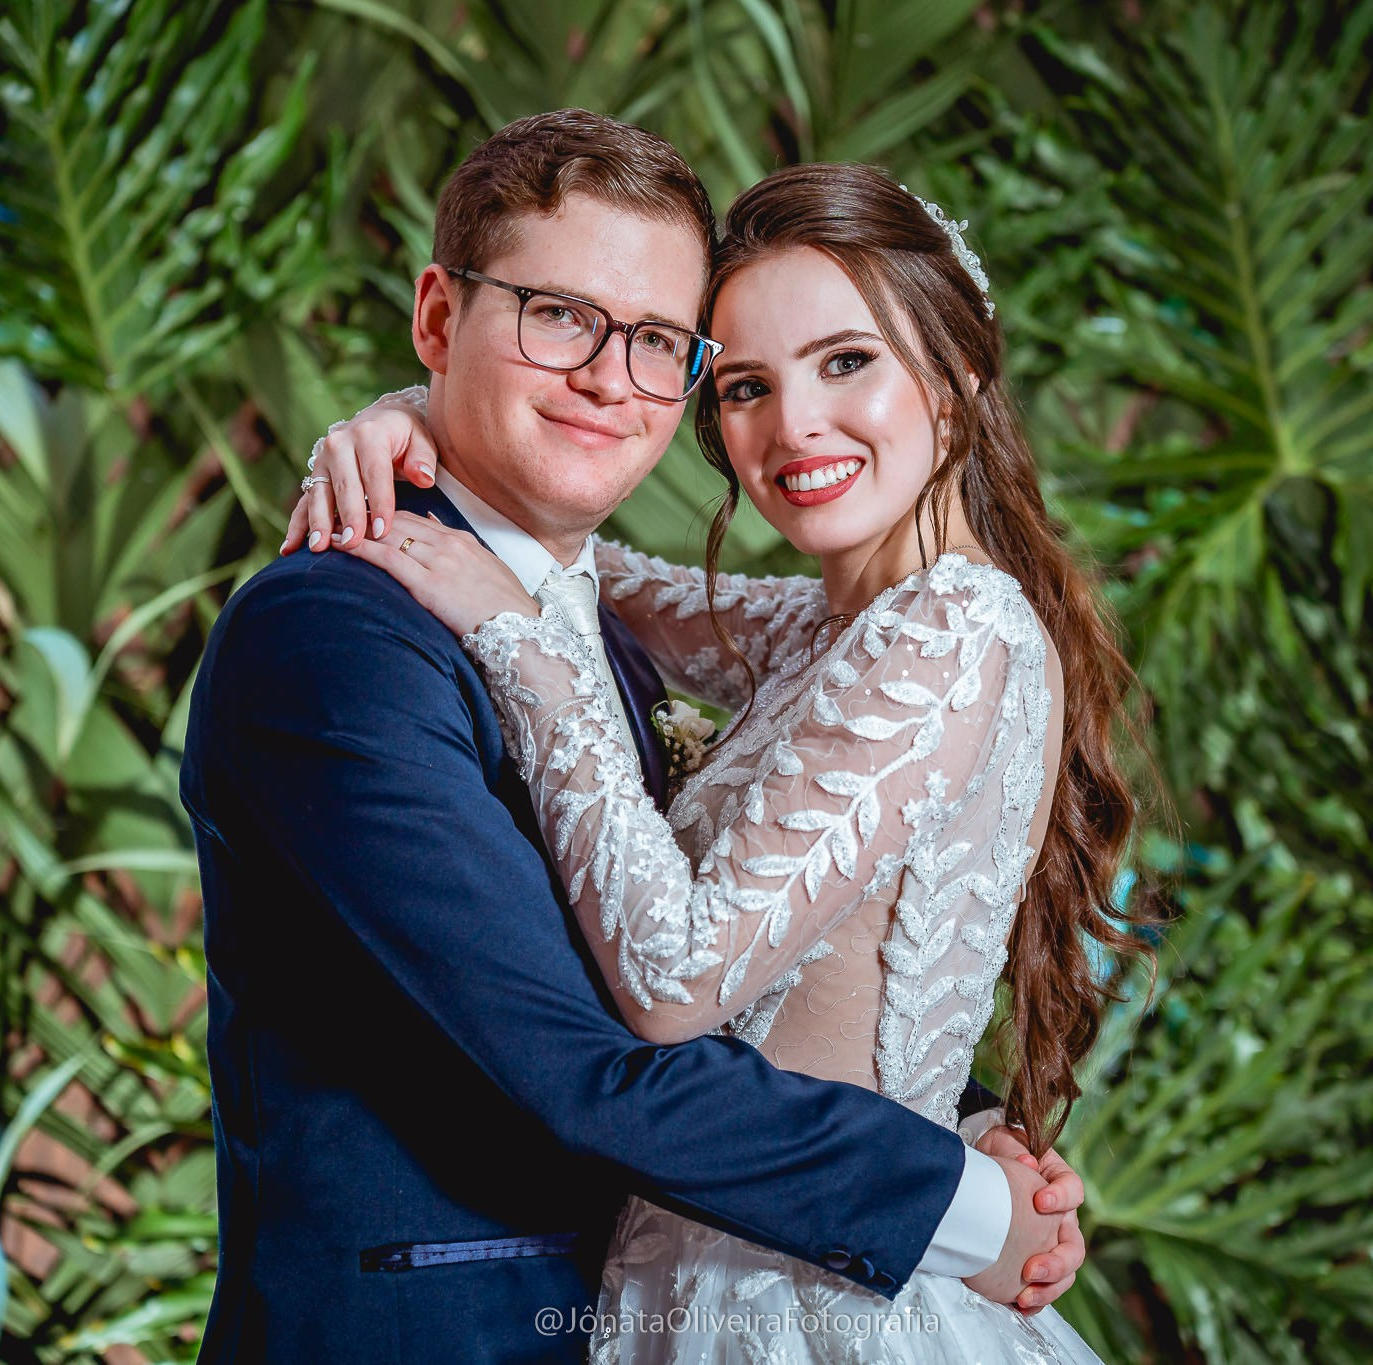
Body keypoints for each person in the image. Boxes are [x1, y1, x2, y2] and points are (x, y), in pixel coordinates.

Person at [182, 112, 1089, 1365]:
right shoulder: (338, 634)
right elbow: (585, 1053)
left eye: (657, 342)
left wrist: (946, 1140)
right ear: (441, 317)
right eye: (558, 316)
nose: (611, 377)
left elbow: (729, 985)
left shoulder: (911, 624)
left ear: (950, 377)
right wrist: (959, 1201)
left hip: (756, 1298)